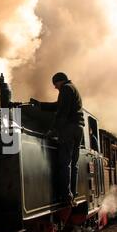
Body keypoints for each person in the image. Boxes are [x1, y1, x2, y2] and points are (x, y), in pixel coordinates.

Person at [31, 72, 85, 206]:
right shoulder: (72, 88)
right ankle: (72, 193)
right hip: (78, 129)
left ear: (59, 81)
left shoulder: (66, 89)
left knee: (64, 162)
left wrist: (53, 130)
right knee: (74, 163)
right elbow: (58, 106)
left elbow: (62, 112)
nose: (55, 87)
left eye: (55, 84)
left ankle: (66, 195)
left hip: (69, 129)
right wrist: (40, 105)